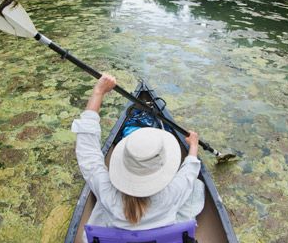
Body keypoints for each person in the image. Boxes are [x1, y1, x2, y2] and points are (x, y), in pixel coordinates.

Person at [71, 73, 205, 231]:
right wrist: (193, 146)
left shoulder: (107, 193)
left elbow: (88, 153)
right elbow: (189, 173)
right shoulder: (172, 193)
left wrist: (98, 92)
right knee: (195, 186)